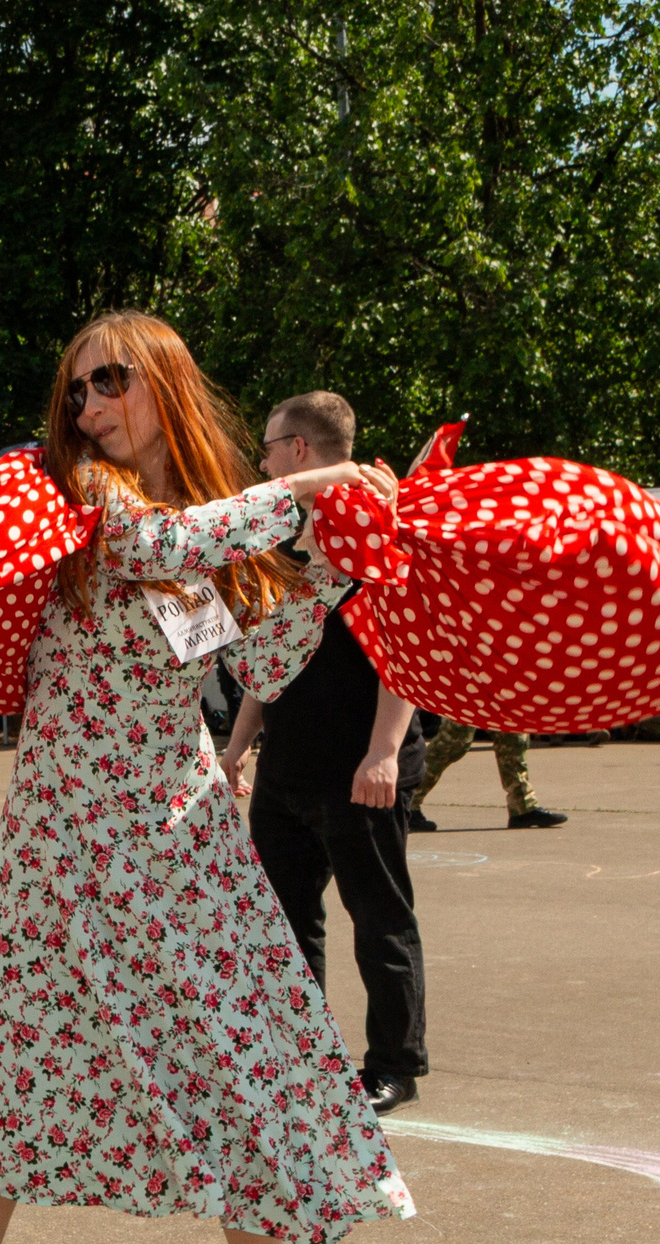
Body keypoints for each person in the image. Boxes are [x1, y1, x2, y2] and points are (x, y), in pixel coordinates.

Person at [0, 311, 414, 1244]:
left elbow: (262, 661)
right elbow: (156, 553)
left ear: (163, 382)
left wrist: (334, 562)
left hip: (176, 843)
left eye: (110, 382)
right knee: (12, 1083)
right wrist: (317, 492)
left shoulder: (214, 522)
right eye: (76, 388)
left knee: (233, 1080)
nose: (87, 407)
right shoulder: (75, 494)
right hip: (55, 845)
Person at [220, 390, 426, 1116]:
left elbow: (405, 645)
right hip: (288, 764)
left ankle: (394, 1065)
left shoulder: (374, 522)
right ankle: (299, 1055)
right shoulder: (285, 539)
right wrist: (238, 748)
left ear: (299, 449)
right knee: (280, 921)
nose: (265, 460)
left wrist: (384, 751)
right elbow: (269, 653)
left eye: (270, 447)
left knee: (378, 918)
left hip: (358, 763)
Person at [406, 719, 567, 830]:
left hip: (502, 678)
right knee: (454, 741)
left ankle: (523, 806)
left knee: (513, 737)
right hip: (468, 677)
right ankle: (407, 803)